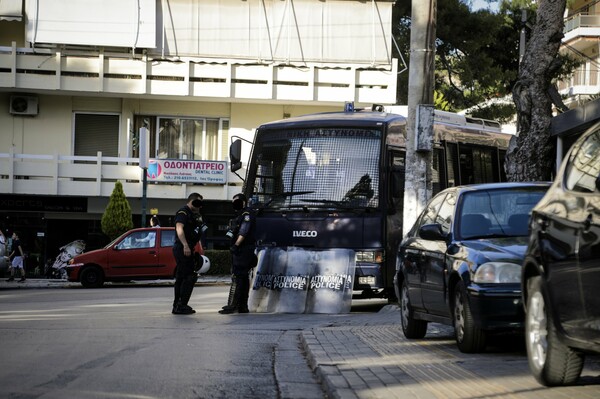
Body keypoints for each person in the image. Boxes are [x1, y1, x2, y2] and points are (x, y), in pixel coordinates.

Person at [219, 193, 256, 314]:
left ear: (244, 202)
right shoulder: (240, 215)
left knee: (238, 277)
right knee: (243, 278)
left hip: (243, 250)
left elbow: (244, 231)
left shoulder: (246, 214)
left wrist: (236, 245)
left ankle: (233, 305)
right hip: (242, 250)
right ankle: (242, 306)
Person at [172, 193, 204, 315]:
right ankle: (181, 305)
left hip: (186, 247)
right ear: (193, 201)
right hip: (182, 248)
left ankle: (178, 305)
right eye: (198, 203)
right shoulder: (183, 212)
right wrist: (185, 245)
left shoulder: (193, 215)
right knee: (189, 277)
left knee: (181, 277)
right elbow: (179, 228)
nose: (200, 207)